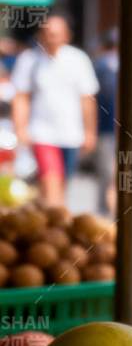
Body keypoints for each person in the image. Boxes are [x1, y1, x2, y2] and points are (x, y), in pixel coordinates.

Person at [10, 15, 98, 208]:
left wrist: (90, 131)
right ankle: (54, 218)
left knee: (62, 184)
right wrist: (20, 127)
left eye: (56, 34)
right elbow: (21, 97)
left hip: (71, 133)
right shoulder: (29, 60)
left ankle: (52, 217)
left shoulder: (78, 59)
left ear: (66, 36)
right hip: (42, 131)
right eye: (47, 33)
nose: (51, 38)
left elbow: (87, 99)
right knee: (51, 182)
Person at [91, 29, 118, 213]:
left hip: (107, 128)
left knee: (108, 173)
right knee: (110, 173)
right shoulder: (102, 67)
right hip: (108, 128)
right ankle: (106, 210)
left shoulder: (100, 66)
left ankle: (107, 209)